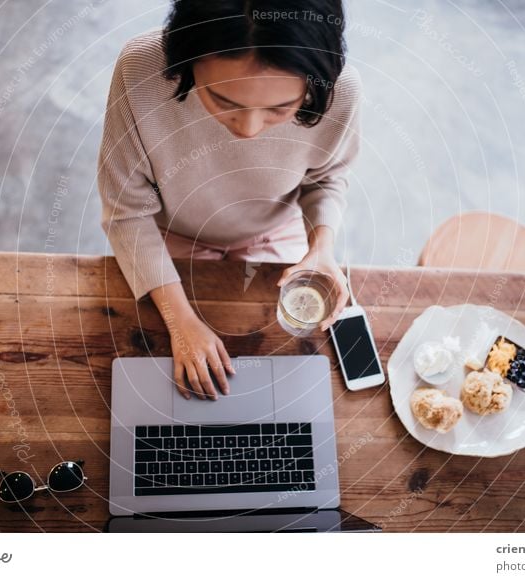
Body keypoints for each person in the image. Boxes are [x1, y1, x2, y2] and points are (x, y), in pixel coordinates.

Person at [98, 0, 361, 402]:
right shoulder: (141, 71)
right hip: (165, 234)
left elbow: (325, 178)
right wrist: (180, 320)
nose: (250, 129)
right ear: (187, 57)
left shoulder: (340, 91)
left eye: (279, 109)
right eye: (224, 101)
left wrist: (321, 247)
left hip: (275, 231)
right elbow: (126, 212)